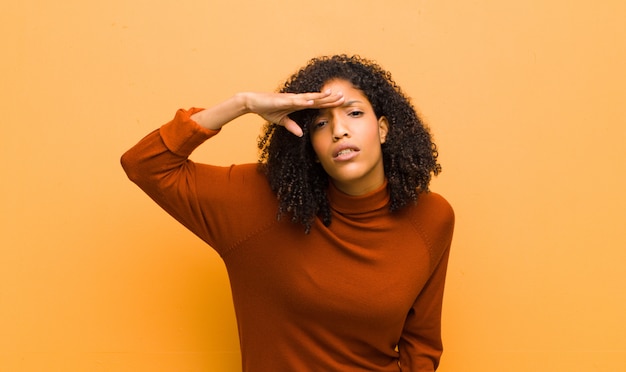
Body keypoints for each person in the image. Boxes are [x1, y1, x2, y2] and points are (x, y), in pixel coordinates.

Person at [121, 54, 455, 371]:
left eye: (354, 114)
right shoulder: (259, 202)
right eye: (321, 123)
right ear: (309, 145)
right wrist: (242, 104)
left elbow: (420, 345)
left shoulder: (431, 218)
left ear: (382, 129)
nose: (339, 130)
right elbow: (145, 165)